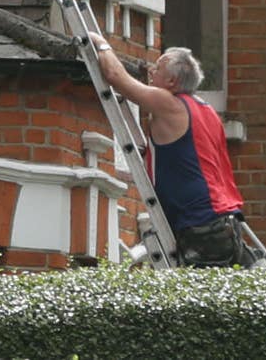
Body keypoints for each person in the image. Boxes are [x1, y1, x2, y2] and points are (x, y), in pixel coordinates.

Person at [87, 31, 250, 267]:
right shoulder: (206, 111)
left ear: (172, 82)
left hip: (200, 224)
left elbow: (114, 75)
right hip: (224, 222)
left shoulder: (169, 104)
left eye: (158, 68)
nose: (151, 72)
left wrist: (100, 43)